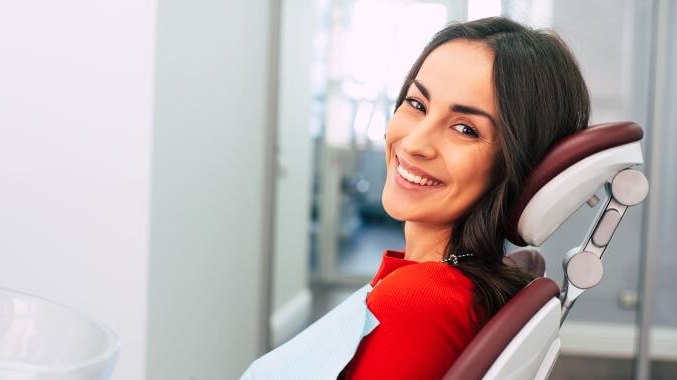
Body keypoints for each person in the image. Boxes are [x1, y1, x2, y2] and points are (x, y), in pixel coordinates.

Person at [242, 16, 590, 380]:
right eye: (417, 104)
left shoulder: (418, 302)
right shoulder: (447, 286)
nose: (414, 143)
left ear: (518, 163)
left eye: (465, 129)